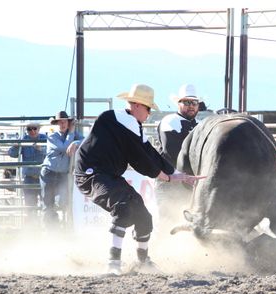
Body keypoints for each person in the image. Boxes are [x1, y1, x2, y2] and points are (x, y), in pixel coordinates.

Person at [74, 83, 204, 275]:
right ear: (136, 105)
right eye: (148, 108)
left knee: (143, 215)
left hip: (107, 174)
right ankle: (113, 262)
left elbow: (148, 152)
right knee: (123, 206)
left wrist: (174, 173)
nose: (149, 113)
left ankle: (143, 261)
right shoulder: (122, 121)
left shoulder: (128, 122)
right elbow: (141, 159)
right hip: (91, 174)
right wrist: (168, 177)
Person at [155, 84, 201, 226]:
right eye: (187, 102)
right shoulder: (170, 121)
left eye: (194, 103)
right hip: (170, 179)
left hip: (190, 181)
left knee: (191, 222)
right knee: (168, 220)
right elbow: (172, 152)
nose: (191, 106)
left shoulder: (200, 124)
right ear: (178, 103)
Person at [40, 111, 83, 226]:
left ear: (68, 123)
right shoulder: (52, 136)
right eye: (60, 122)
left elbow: (86, 141)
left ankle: (61, 227)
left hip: (63, 174)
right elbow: (64, 147)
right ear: (56, 124)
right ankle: (51, 230)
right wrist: (72, 134)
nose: (63, 124)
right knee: (48, 204)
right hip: (49, 173)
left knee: (64, 201)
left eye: (65, 122)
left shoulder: (73, 135)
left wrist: (76, 142)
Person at [8, 122, 47, 218]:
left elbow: (51, 153)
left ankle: (47, 228)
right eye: (29, 129)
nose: (32, 131)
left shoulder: (45, 139)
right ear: (27, 130)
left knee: (46, 205)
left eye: (34, 128)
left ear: (38, 129)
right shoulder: (23, 139)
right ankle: (31, 229)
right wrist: (16, 145)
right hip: (29, 179)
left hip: (44, 178)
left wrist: (41, 149)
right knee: (30, 207)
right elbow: (12, 154)